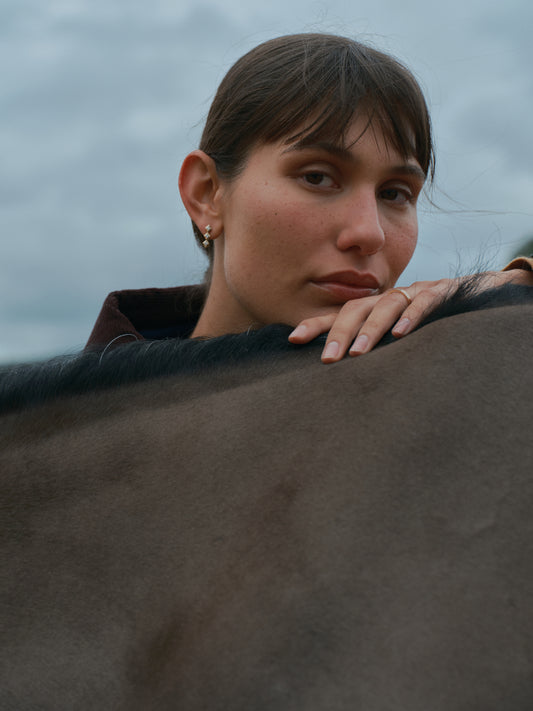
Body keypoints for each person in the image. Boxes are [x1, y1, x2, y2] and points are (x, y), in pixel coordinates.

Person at [86, 33, 533, 360]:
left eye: (395, 193)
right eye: (317, 178)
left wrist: (512, 293)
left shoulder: (446, 377)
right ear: (207, 194)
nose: (368, 233)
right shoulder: (49, 436)